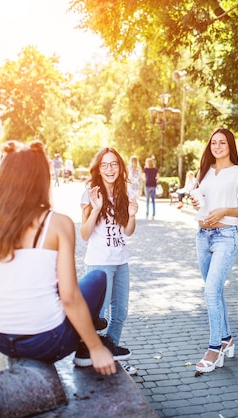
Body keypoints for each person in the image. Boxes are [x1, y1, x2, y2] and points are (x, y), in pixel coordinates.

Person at [0, 140, 116, 375]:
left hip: (0, 339)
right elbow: (69, 296)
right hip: (48, 341)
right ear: (43, 179)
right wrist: (96, 347)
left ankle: (85, 326)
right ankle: (84, 344)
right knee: (98, 278)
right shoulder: (58, 224)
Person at [190, 128, 238, 373]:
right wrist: (195, 202)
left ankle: (214, 349)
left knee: (210, 292)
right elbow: (201, 201)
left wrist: (224, 211)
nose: (217, 146)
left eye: (222, 142)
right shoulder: (204, 172)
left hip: (225, 237)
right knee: (214, 292)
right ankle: (227, 339)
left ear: (230, 146)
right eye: (214, 142)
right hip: (202, 237)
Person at [80, 147, 138, 374]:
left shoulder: (126, 191)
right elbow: (84, 234)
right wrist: (95, 209)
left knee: (120, 313)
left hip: (121, 261)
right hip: (99, 263)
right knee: (97, 316)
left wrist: (132, 215)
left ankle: (110, 356)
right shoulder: (90, 193)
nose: (110, 169)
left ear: (120, 167)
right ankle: (90, 356)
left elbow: (129, 231)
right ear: (98, 168)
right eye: (105, 165)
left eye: (114, 164)